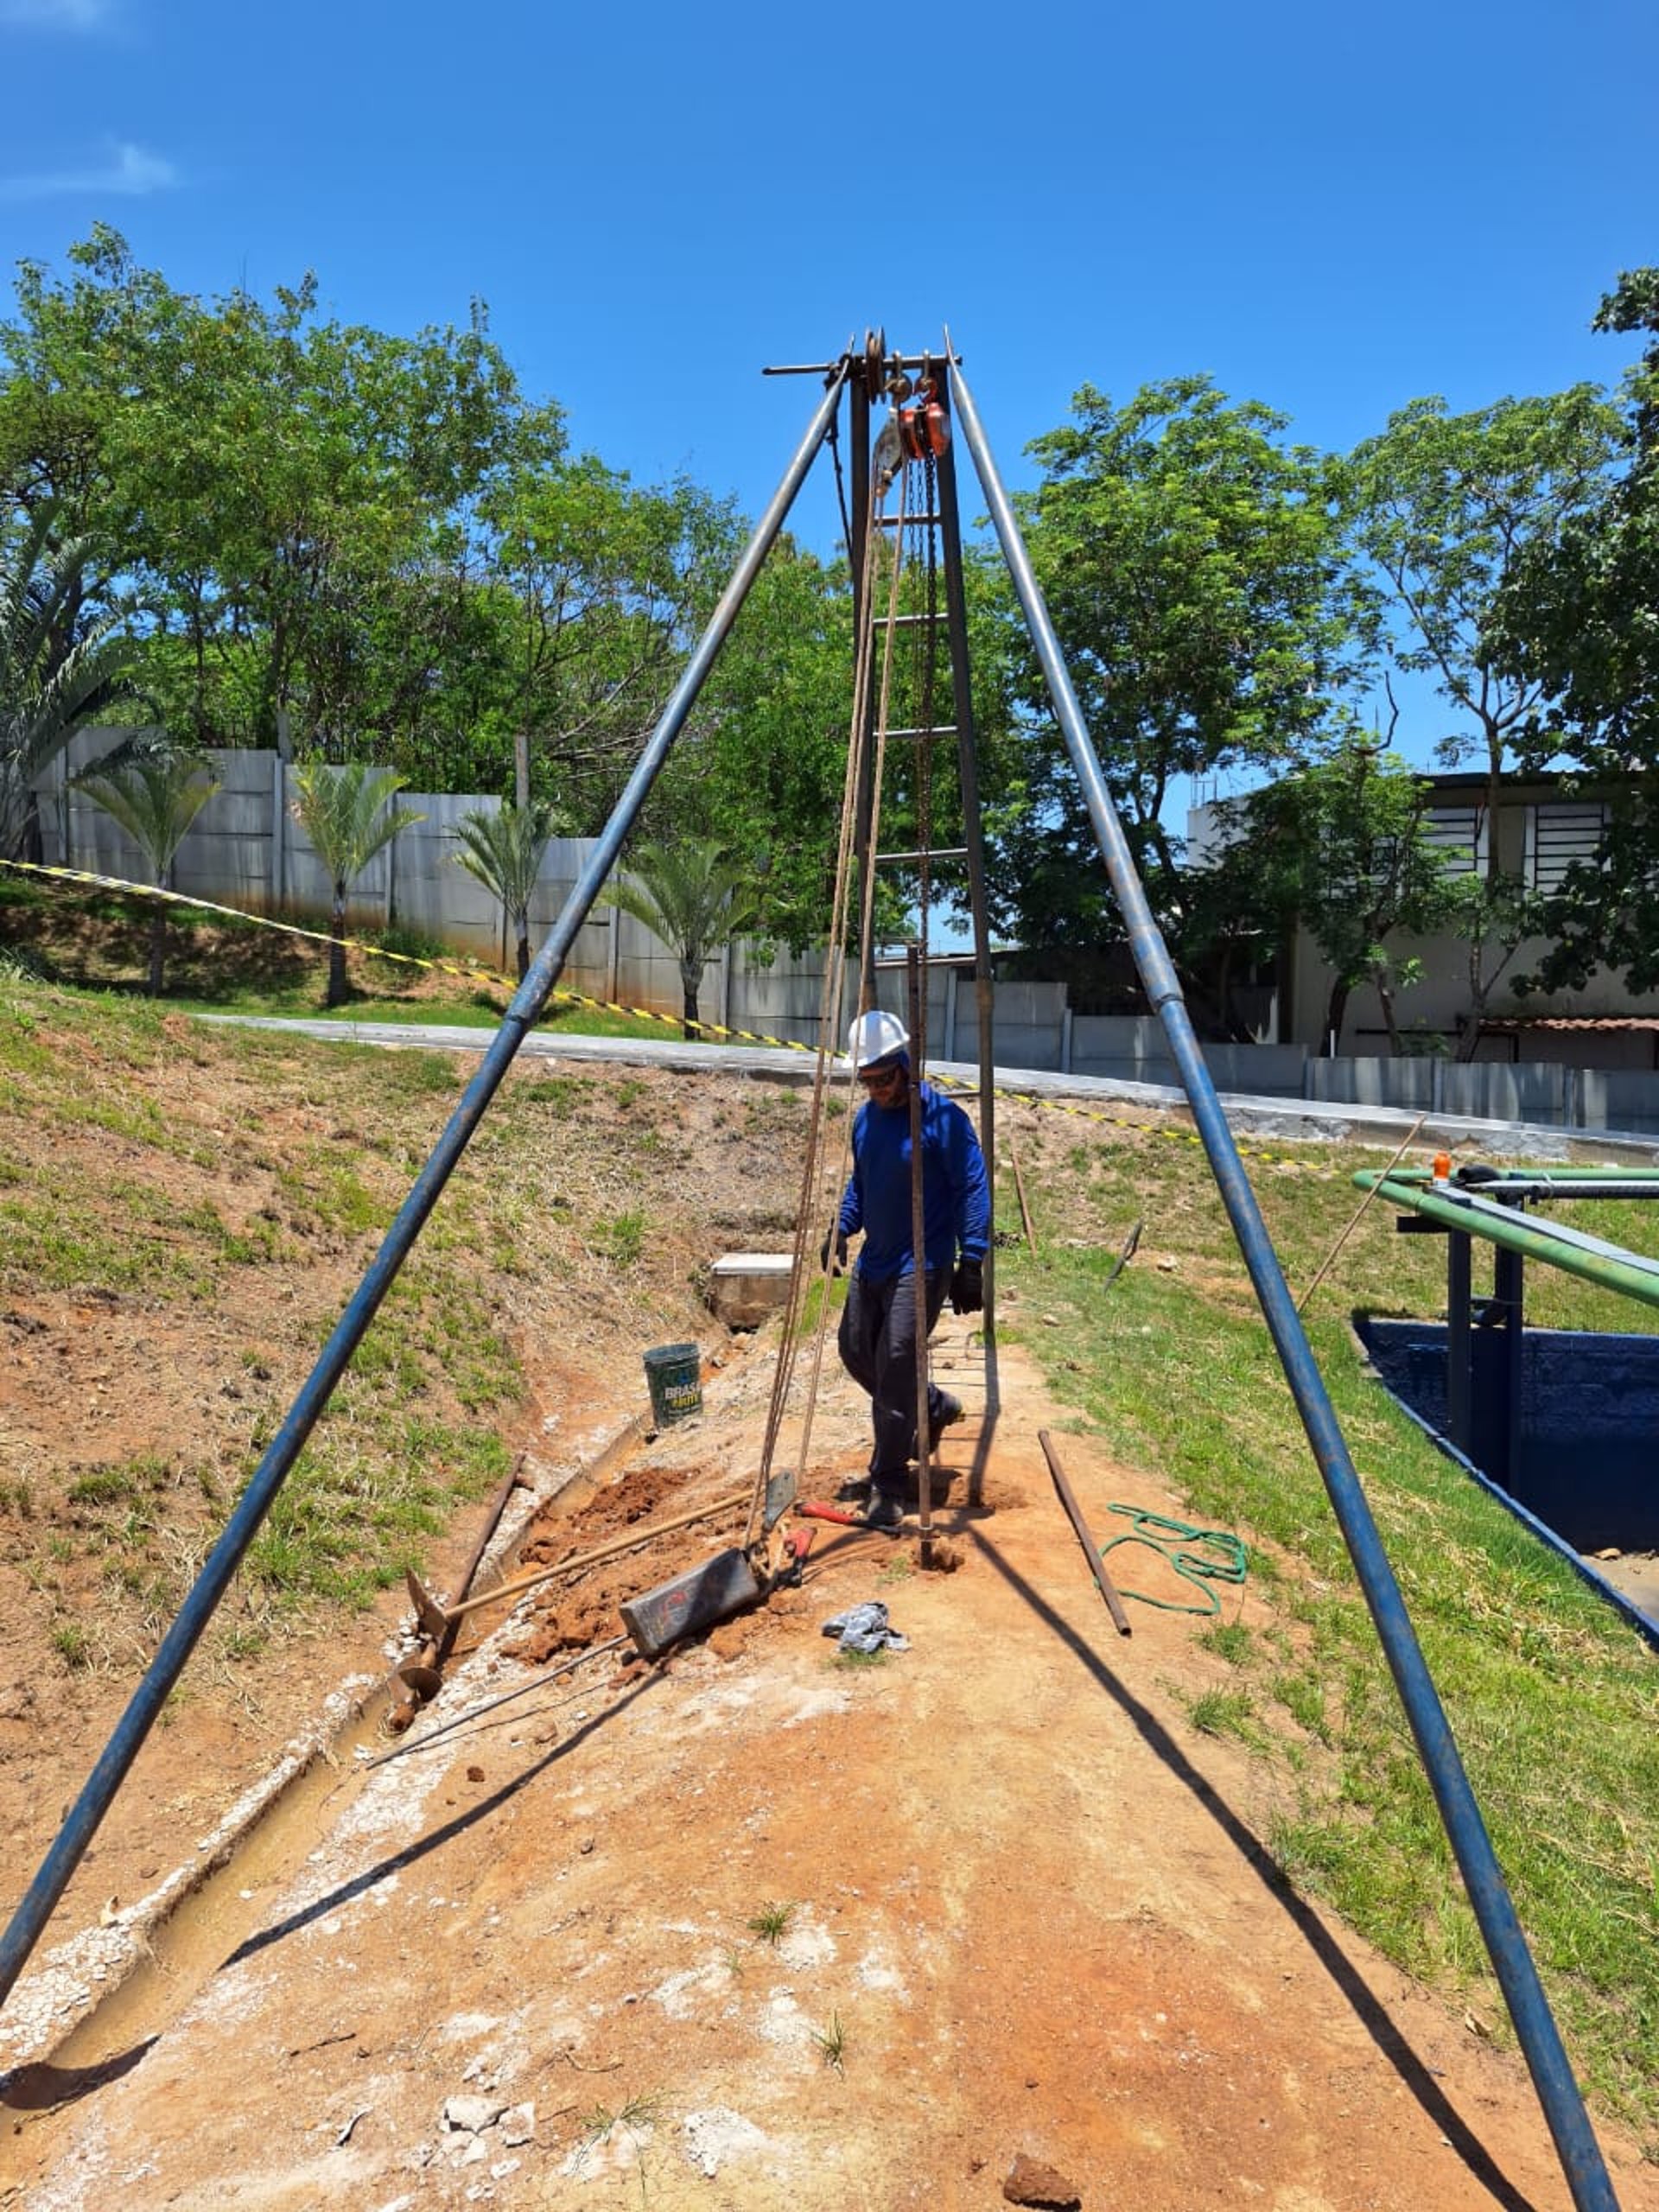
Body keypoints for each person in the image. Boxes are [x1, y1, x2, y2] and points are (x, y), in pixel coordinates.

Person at [823, 1008, 990, 1530]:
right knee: (855, 1350)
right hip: (876, 1260)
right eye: (866, 1081)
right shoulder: (866, 1120)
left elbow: (972, 1187)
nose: (876, 1090)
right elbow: (862, 1182)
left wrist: (973, 1258)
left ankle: (889, 1482)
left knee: (896, 1365)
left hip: (923, 1263)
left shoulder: (944, 1122)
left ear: (905, 1064)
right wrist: (842, 1226)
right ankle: (933, 1405)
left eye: (884, 1078)